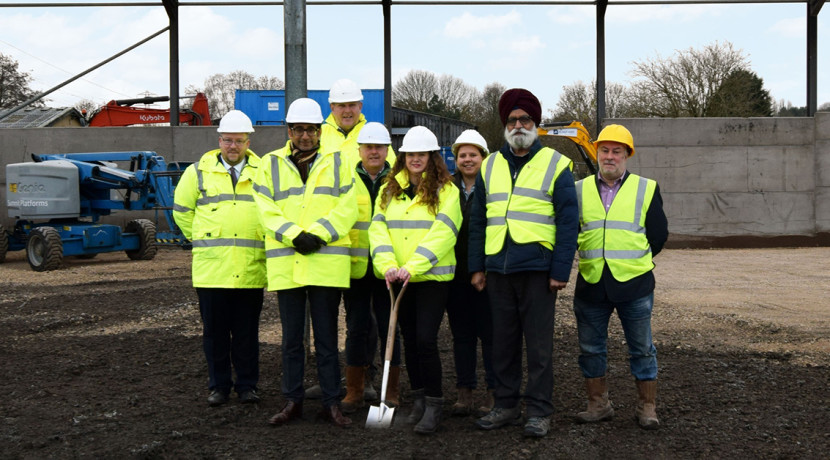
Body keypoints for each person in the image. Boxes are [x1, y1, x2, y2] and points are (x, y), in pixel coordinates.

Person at [468, 88, 579, 438]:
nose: (519, 125)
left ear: (536, 124)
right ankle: (505, 405)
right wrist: (476, 267)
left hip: (538, 270)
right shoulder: (490, 165)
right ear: (505, 125)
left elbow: (567, 221)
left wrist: (560, 271)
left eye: (525, 119)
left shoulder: (557, 165)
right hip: (498, 268)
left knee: (539, 346)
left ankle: (539, 411)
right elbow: (477, 221)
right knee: (502, 342)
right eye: (513, 120)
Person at [253, 98, 358, 428]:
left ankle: (331, 402)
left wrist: (319, 234)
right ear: (289, 130)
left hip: (325, 263)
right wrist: (294, 235)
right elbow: (265, 209)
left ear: (319, 131)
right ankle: (292, 401)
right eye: (299, 129)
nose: (305, 135)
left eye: (311, 129)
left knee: (327, 340)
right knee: (292, 340)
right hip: (289, 263)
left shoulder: (340, 162)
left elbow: (348, 206)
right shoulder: (269, 164)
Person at [571, 124, 668, 430]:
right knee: (590, 349)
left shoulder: (646, 188)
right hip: (591, 282)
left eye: (616, 151)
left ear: (627, 155)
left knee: (641, 349)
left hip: (634, 285)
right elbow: (569, 232)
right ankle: (598, 405)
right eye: (604, 150)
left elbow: (658, 235)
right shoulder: (578, 189)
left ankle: (647, 407)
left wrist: (634, 259)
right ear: (596, 152)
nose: (609, 156)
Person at [368, 125, 462, 434]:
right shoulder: (388, 190)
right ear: (403, 157)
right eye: (411, 154)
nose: (415, 159)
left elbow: (444, 233)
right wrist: (388, 265)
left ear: (433, 157)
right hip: (398, 277)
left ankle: (434, 404)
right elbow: (377, 230)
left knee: (425, 340)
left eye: (422, 154)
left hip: (432, 277)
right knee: (407, 340)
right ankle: (419, 400)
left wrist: (414, 265)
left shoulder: (447, 192)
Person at [173, 110, 266, 407]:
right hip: (212, 270)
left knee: (246, 334)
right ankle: (219, 387)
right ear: (219, 140)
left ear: (248, 142)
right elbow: (182, 212)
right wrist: (204, 240)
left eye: (239, 141)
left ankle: (248, 386)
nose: (233, 146)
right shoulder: (197, 172)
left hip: (250, 268)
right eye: (228, 140)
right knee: (214, 335)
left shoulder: (263, 171)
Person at [340, 122, 402, 413]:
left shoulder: (399, 180)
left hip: (388, 267)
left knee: (391, 330)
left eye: (379, 147)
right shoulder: (345, 179)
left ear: (387, 149)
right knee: (356, 328)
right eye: (369, 147)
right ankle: (355, 389)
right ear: (360, 150)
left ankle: (391, 390)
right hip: (355, 266)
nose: (374, 152)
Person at [445, 130, 495, 416]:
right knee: (461, 336)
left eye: (473, 154)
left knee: (490, 335)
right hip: (455, 274)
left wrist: (485, 268)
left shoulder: (494, 188)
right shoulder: (446, 188)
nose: (467, 160)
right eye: (462, 155)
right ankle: (464, 392)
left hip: (487, 275)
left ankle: (492, 391)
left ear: (483, 158)